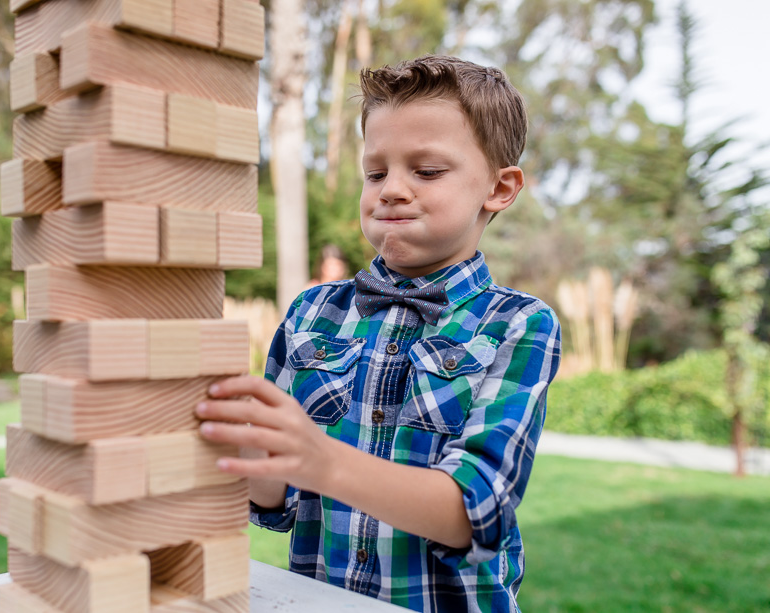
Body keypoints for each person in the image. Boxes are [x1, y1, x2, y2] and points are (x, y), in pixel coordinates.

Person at [195, 55, 562, 612]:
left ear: (500, 187)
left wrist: (320, 458)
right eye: (375, 172)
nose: (391, 189)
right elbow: (274, 499)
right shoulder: (311, 313)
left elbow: (473, 513)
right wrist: (243, 441)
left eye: (427, 171)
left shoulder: (520, 324)